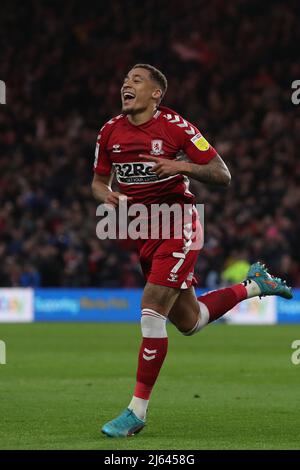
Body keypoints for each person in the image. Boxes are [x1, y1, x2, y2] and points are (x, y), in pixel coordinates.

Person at [91, 64, 292, 438]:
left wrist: (178, 165)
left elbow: (222, 174)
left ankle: (136, 412)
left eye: (136, 80)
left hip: (179, 222)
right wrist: (108, 196)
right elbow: (98, 182)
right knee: (190, 321)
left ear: (156, 94)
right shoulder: (109, 131)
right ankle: (255, 286)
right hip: (141, 231)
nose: (126, 85)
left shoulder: (176, 127)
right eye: (124, 80)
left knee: (151, 308)